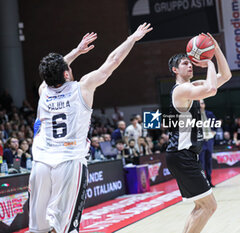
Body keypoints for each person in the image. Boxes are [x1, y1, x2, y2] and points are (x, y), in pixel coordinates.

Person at [29, 23, 152, 233]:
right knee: (67, 228)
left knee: (38, 229)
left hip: (40, 163)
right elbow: (113, 60)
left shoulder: (43, 91)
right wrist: (132, 38)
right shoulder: (83, 87)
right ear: (66, 74)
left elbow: (51, 72)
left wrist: (76, 52)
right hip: (68, 163)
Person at [166, 33, 231, 233]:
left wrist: (216, 48)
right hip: (181, 155)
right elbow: (212, 89)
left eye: (190, 63)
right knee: (209, 206)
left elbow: (226, 76)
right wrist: (209, 62)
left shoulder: (191, 87)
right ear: (175, 70)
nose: (190, 65)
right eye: (185, 63)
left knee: (200, 206)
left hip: (186, 156)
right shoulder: (180, 90)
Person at [199, 99, 216, 188]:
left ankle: (209, 181)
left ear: (204, 104)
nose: (201, 105)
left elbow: (215, 124)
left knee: (208, 162)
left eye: (202, 103)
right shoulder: (194, 116)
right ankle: (203, 183)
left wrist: (213, 132)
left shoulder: (209, 114)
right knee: (201, 162)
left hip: (209, 140)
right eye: (199, 103)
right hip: (201, 141)